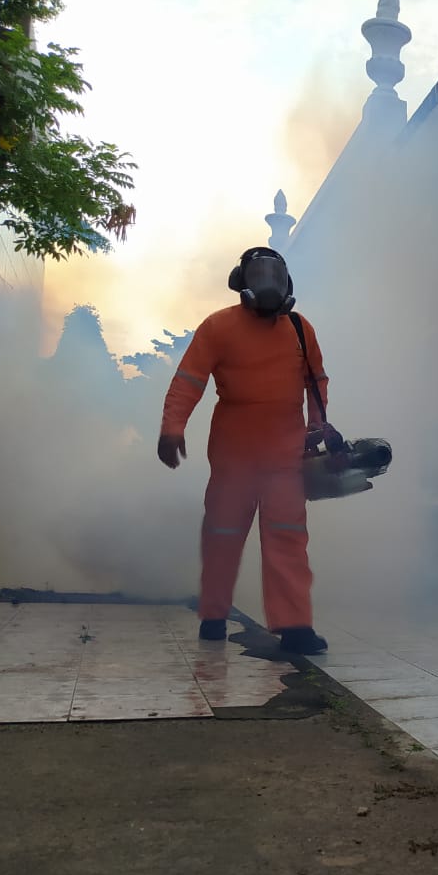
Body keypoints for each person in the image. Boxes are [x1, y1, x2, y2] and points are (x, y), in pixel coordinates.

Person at [157, 247, 337, 655]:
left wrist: (316, 426)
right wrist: (172, 427)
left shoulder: (299, 329)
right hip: (233, 455)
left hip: (285, 456)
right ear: (242, 283)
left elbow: (316, 382)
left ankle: (294, 628)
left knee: (288, 539)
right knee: (222, 535)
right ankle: (214, 615)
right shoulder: (218, 328)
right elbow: (189, 379)